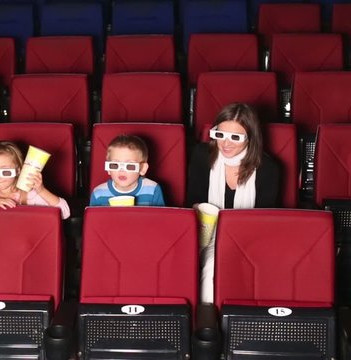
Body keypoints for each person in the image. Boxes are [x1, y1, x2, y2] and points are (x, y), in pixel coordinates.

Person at [186, 102, 280, 303]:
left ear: (250, 138)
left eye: (235, 137)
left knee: (219, 263)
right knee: (209, 262)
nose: (225, 143)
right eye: (220, 135)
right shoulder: (202, 155)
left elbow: (265, 219)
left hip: (250, 236)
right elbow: (192, 201)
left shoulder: (268, 168)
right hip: (206, 232)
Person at [89, 134, 165, 206]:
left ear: (142, 169)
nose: (122, 171)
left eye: (130, 166)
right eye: (115, 165)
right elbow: (94, 219)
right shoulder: (98, 193)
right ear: (108, 169)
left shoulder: (153, 190)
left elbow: (161, 218)